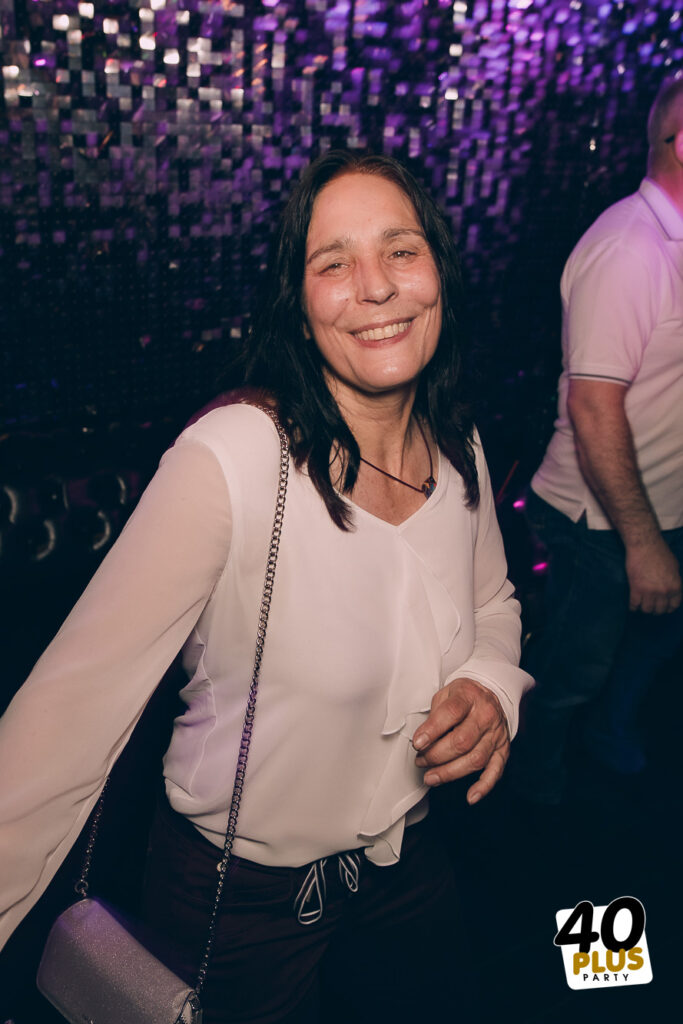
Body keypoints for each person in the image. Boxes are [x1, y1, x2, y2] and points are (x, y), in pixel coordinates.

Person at [0, 150, 532, 1022]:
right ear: (299, 303)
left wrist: (491, 686)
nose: (375, 286)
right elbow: (64, 720)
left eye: (401, 250)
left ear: (439, 269)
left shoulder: (455, 444)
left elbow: (491, 605)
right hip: (237, 898)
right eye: (334, 263)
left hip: (404, 863)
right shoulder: (236, 460)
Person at [511, 77, 683, 805]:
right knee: (568, 673)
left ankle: (606, 738)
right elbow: (593, 406)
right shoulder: (628, 250)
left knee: (649, 646)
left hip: (658, 512)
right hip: (603, 523)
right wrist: (642, 544)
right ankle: (530, 803)